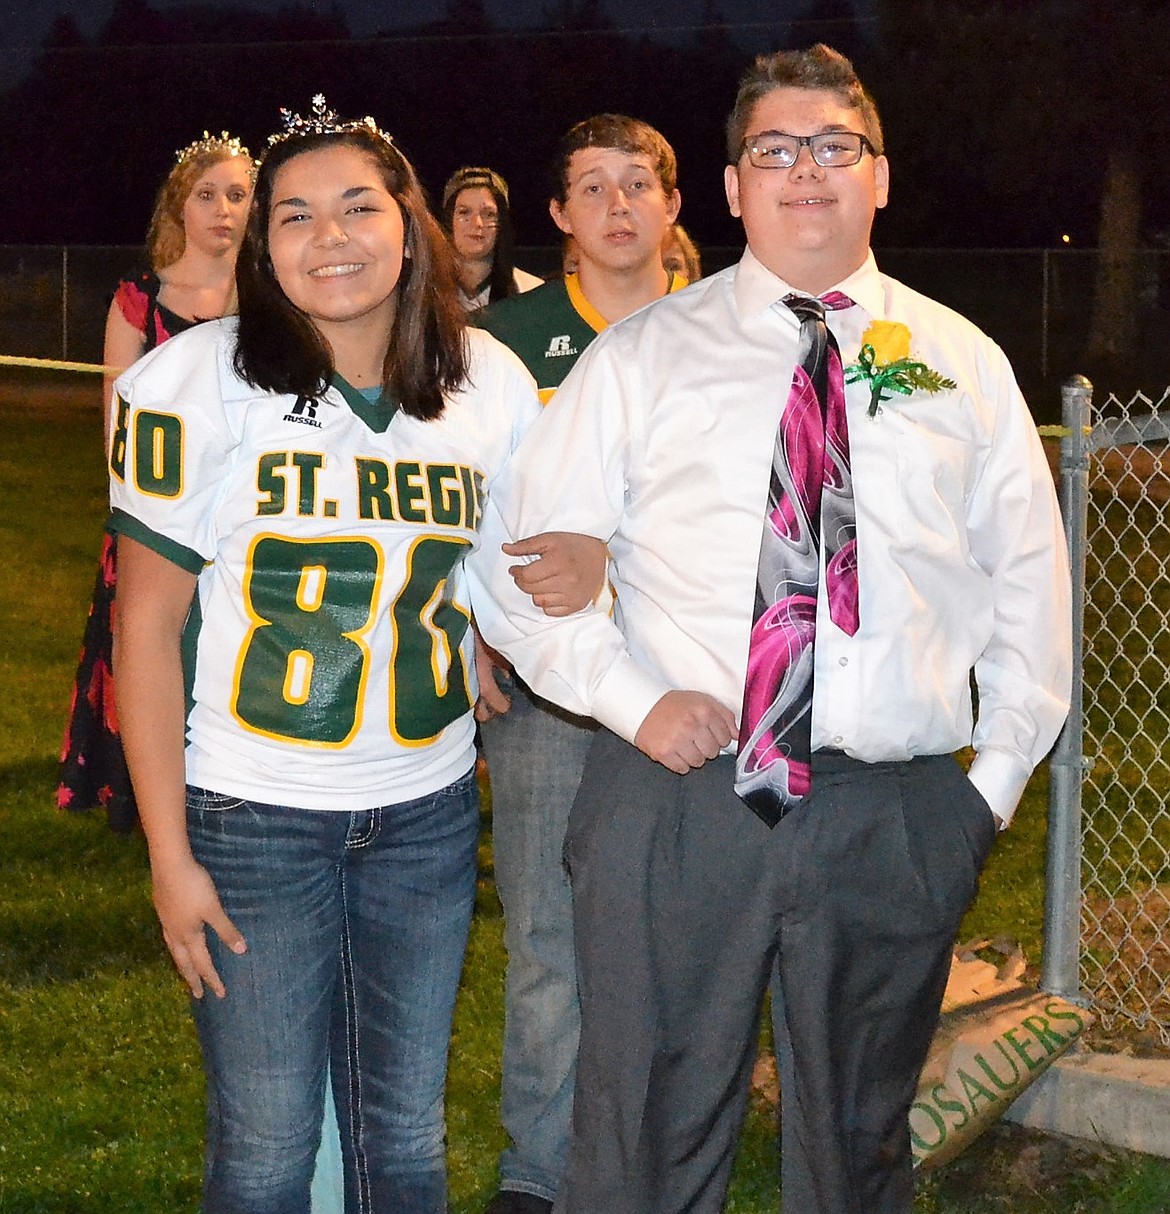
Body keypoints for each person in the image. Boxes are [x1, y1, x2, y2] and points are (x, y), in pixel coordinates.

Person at [468, 45, 1072, 1214]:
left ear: (880, 176)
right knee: (642, 1132)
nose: (808, 170)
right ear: (735, 187)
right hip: (677, 800)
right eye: (775, 149)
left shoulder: (965, 365)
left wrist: (982, 793)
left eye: (835, 146)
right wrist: (633, 700)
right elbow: (512, 568)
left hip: (890, 809)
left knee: (857, 1147)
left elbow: (1029, 593)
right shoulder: (642, 357)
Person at [109, 96, 539, 1213]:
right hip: (252, 811)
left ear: (410, 224)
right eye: (294, 215)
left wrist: (488, 631)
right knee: (263, 1146)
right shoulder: (195, 381)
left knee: (406, 1140)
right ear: (261, 245)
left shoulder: (488, 382)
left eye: (359, 206)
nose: (330, 236)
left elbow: (494, 568)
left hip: (427, 809)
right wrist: (168, 852)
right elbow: (145, 628)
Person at [473, 113, 685, 1214]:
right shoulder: (503, 340)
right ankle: (541, 1165)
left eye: (636, 182)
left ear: (673, 205)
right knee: (551, 935)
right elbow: (466, 500)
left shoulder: (720, 330)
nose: (616, 204)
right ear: (556, 215)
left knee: (679, 928)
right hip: (550, 689)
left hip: (688, 685)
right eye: (591, 187)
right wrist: (473, 623)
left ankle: (657, 1152)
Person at [57, 131, 252, 832]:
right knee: (155, 649)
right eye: (207, 195)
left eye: (238, 194)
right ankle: (144, 790)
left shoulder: (271, 298)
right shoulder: (140, 300)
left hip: (247, 517)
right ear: (179, 206)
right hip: (163, 515)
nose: (223, 210)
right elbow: (117, 423)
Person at [441, 166, 542, 310]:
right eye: (464, 212)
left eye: (489, 214)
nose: (477, 223)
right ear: (448, 219)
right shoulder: (426, 290)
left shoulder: (531, 292)